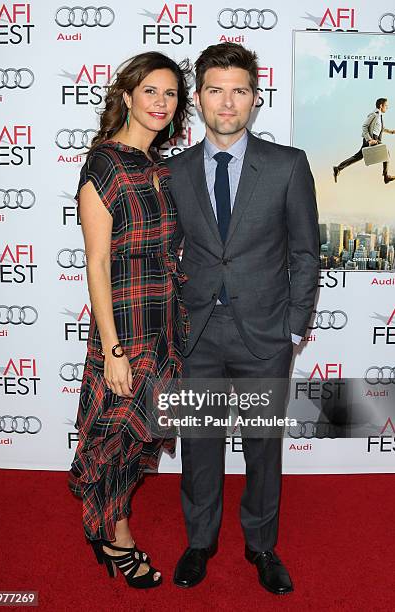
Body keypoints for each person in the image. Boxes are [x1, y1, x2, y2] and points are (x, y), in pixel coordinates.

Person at [166, 42, 319, 594]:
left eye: (239, 91)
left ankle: (261, 546)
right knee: (199, 442)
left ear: (255, 99)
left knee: (262, 445)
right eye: (215, 90)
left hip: (265, 334)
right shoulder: (177, 171)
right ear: (199, 98)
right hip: (197, 333)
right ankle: (199, 541)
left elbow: (306, 251)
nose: (226, 103)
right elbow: (167, 253)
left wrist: (295, 324)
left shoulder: (287, 165)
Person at [68, 51, 191, 589]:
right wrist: (113, 350)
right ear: (126, 96)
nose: (161, 103)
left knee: (139, 440)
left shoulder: (161, 167)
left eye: (171, 95)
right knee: (113, 440)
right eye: (151, 92)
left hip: (164, 325)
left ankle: (111, 528)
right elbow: (96, 262)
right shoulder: (104, 164)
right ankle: (117, 538)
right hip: (125, 331)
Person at [333, 98, 395, 184]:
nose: (387, 107)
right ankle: (386, 177)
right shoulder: (374, 114)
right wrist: (369, 140)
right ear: (381, 106)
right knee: (386, 153)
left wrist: (392, 132)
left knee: (358, 156)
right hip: (372, 139)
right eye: (386, 105)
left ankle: (338, 168)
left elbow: (380, 128)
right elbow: (364, 126)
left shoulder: (379, 116)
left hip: (373, 139)